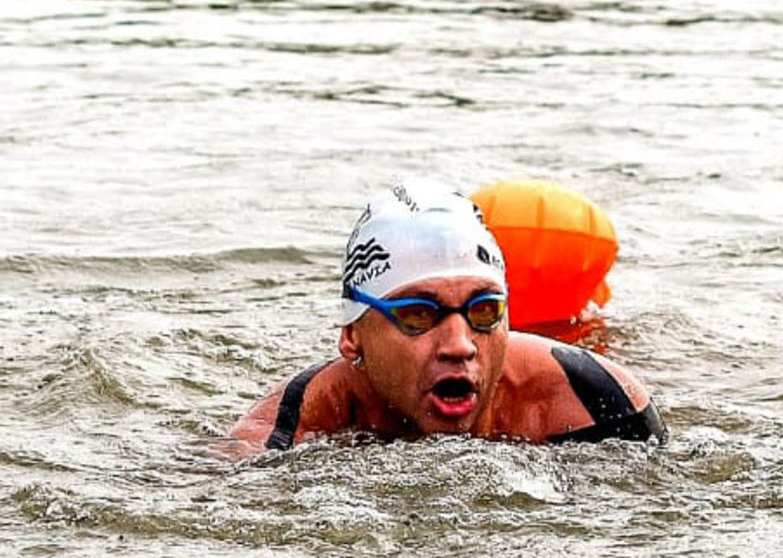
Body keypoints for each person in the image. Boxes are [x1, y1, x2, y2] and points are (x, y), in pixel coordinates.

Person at [230, 178, 666, 452]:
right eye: (418, 314)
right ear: (352, 336)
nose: (459, 344)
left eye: (485, 310)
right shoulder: (277, 440)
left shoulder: (594, 402)